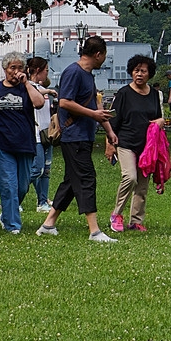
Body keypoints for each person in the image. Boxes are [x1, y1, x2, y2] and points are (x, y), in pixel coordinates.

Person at [36, 37, 118, 242]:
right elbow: (64, 102)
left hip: (84, 136)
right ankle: (95, 231)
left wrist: (109, 130)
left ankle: (48, 224)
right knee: (86, 178)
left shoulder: (88, 75)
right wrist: (93, 116)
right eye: (104, 55)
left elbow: (95, 106)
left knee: (72, 181)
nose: (104, 59)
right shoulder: (74, 72)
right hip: (74, 137)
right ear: (98, 54)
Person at [0, 56, 42, 233]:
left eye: (20, 67)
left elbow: (39, 103)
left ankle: (6, 214)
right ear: (5, 69)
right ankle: (12, 225)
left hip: (24, 143)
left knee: (22, 186)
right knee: (8, 185)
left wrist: (27, 83)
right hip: (0, 143)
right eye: (12, 68)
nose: (16, 71)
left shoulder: (28, 88)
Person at [107, 54, 163, 235]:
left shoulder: (154, 94)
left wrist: (160, 121)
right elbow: (112, 121)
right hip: (126, 143)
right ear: (131, 72)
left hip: (147, 146)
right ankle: (116, 215)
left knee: (142, 185)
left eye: (143, 71)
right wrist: (109, 144)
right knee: (130, 177)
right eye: (136, 70)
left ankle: (135, 221)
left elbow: (158, 115)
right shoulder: (123, 93)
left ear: (149, 74)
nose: (139, 74)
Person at [24, 55, 56, 211]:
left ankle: (42, 202)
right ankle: (14, 196)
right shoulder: (29, 87)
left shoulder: (41, 88)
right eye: (46, 70)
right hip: (35, 134)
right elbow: (33, 92)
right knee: (37, 169)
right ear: (38, 70)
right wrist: (47, 90)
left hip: (47, 134)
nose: (47, 74)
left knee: (46, 171)